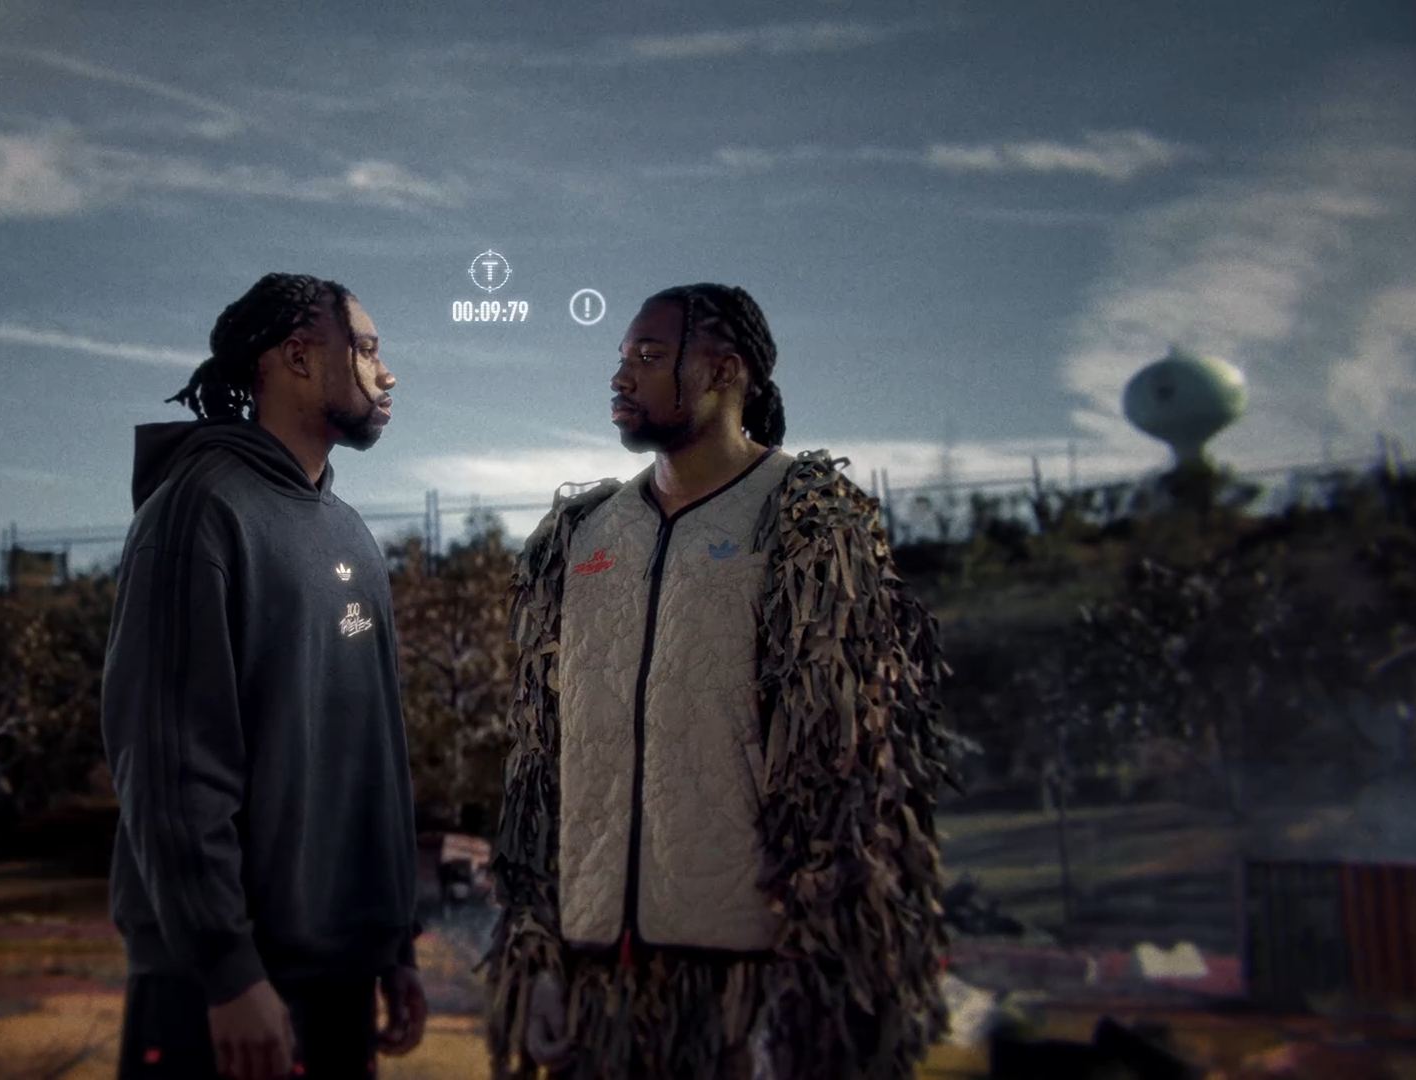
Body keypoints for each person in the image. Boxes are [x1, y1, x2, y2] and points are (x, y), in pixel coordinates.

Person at [482, 284, 956, 1079]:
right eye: (621, 357)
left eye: (650, 356)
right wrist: (534, 950)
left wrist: (817, 994)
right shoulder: (580, 536)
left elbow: (851, 777)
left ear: (724, 369)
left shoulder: (807, 521)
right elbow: (538, 764)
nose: (621, 376)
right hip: (596, 977)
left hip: (745, 989)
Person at [103, 272, 429, 1080]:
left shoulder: (349, 532)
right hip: (222, 987)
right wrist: (226, 968)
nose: (387, 374)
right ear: (295, 357)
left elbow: (375, 757)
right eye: (364, 349)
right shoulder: (198, 512)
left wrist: (394, 942)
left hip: (341, 972)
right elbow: (172, 766)